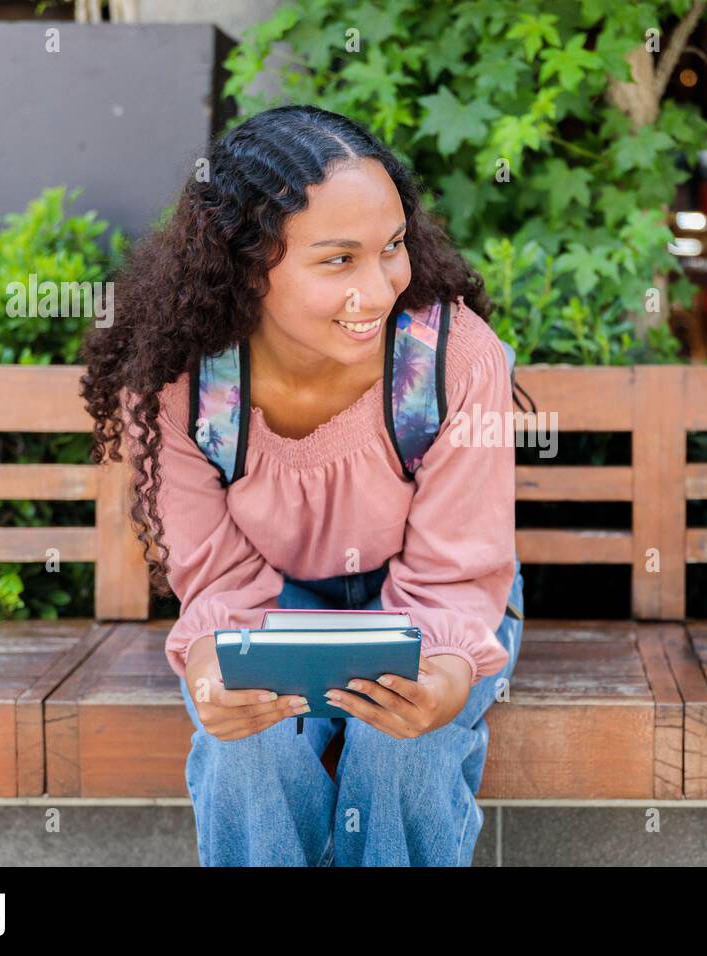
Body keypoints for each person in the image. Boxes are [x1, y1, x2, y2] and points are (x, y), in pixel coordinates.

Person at [79, 105, 524, 866]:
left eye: (391, 248)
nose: (380, 288)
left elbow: (459, 574)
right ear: (247, 266)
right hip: (270, 607)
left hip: (437, 603)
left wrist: (447, 677)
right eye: (338, 260)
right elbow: (216, 585)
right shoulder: (181, 387)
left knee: (401, 749)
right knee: (249, 750)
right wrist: (214, 668)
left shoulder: (450, 361)